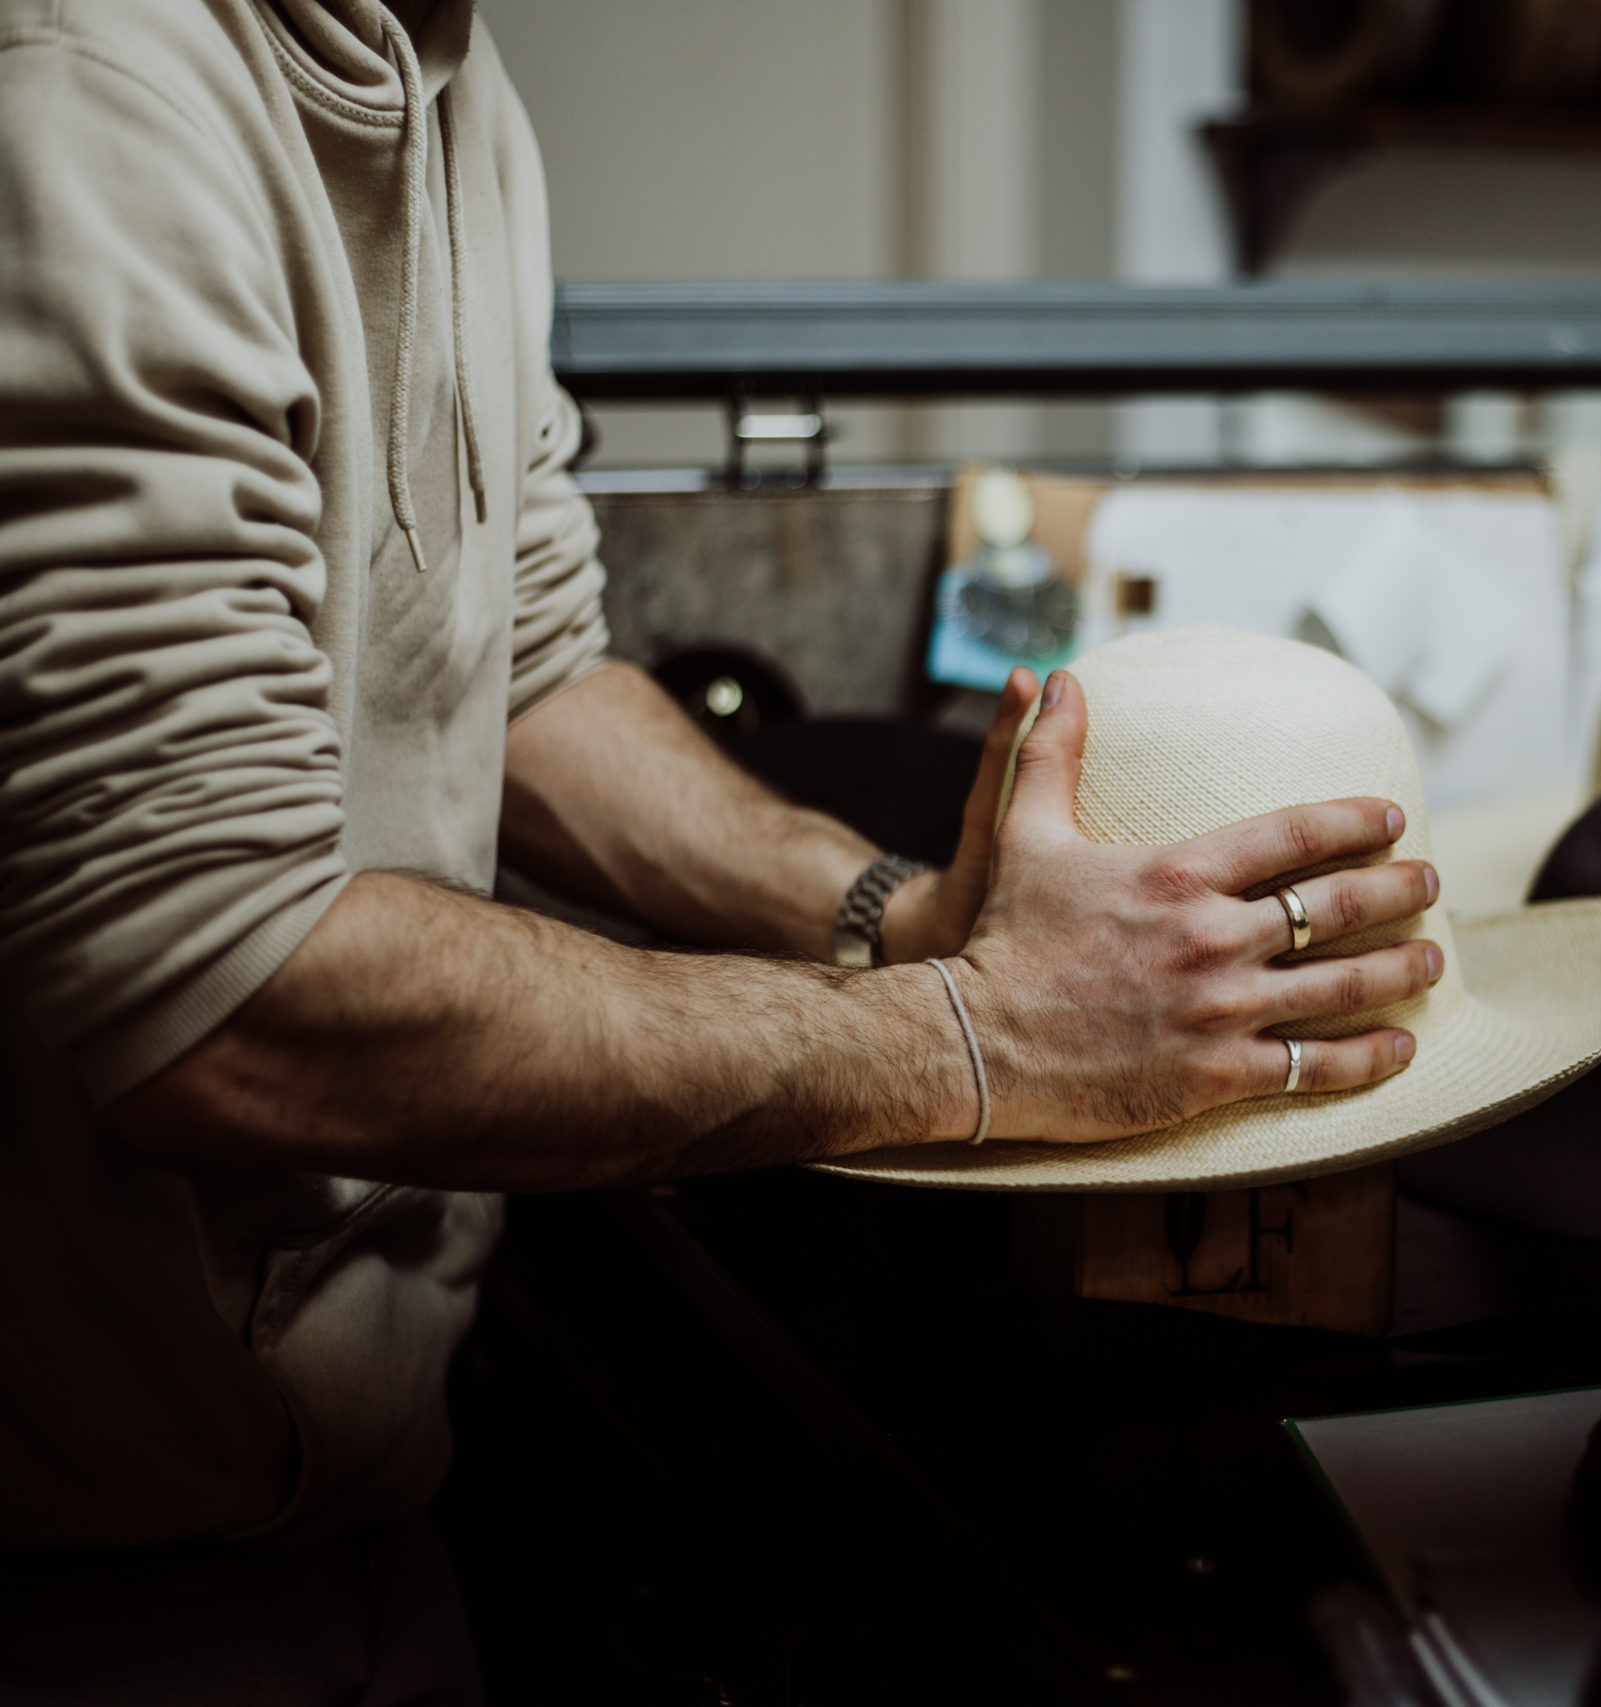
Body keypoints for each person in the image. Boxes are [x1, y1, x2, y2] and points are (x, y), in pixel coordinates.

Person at [0, 1, 1437, 1696]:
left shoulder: (445, 72)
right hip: (79, 1577)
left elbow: (518, 668)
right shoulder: (88, 96)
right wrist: (977, 1037)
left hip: (342, 1507)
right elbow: (225, 996)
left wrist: (903, 921)